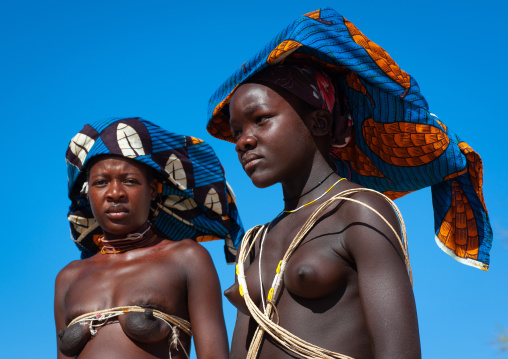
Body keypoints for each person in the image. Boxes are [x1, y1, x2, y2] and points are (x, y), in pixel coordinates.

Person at [205, 8, 492, 359]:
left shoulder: (360, 211)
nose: (243, 142)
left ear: (321, 122)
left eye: (261, 120)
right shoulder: (257, 240)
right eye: (236, 133)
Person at [55, 117, 244, 359]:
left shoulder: (187, 258)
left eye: (130, 181)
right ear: (88, 194)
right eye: (101, 183)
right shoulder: (69, 278)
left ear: (152, 190)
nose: (115, 193)